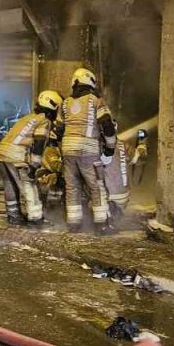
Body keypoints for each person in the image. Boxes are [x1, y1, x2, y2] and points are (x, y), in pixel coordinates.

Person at [56, 68, 118, 234]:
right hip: (89, 151)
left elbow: (59, 129)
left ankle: (74, 223)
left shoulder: (65, 103)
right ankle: (101, 224)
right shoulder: (96, 101)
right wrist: (109, 151)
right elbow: (108, 127)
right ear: (91, 82)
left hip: (68, 150)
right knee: (96, 186)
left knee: (72, 187)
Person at [0, 90, 62, 226]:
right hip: (17, 155)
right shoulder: (44, 121)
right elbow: (38, 143)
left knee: (10, 185)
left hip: (2, 152)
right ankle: (36, 218)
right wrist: (34, 165)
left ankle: (14, 215)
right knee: (28, 185)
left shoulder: (28, 117)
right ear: (54, 107)